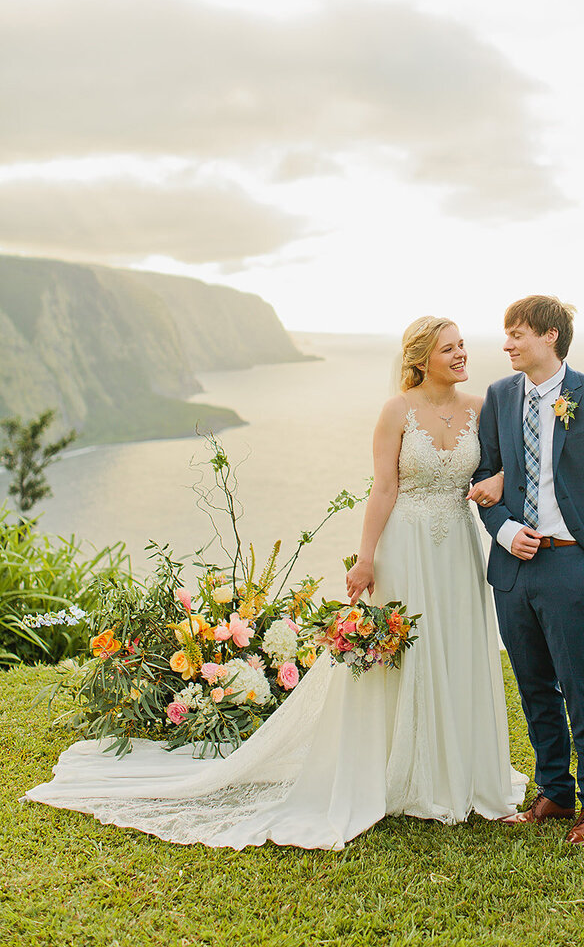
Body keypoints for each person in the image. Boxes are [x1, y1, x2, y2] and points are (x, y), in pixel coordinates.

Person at [24, 317, 525, 850]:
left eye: (462, 346)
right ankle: (410, 775)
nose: (461, 354)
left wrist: (493, 481)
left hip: (457, 550)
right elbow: (382, 489)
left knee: (459, 651)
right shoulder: (395, 412)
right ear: (421, 358)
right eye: (449, 348)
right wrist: (366, 559)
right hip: (406, 546)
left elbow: (494, 471)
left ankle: (466, 777)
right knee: (403, 658)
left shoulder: (480, 407)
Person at [468, 295, 584, 846]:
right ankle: (555, 792)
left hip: (569, 564)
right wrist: (505, 529)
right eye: (506, 334)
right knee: (534, 685)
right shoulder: (498, 396)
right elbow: (486, 474)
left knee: (582, 687)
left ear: (550, 337)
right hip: (513, 565)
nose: (507, 344)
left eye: (516, 334)